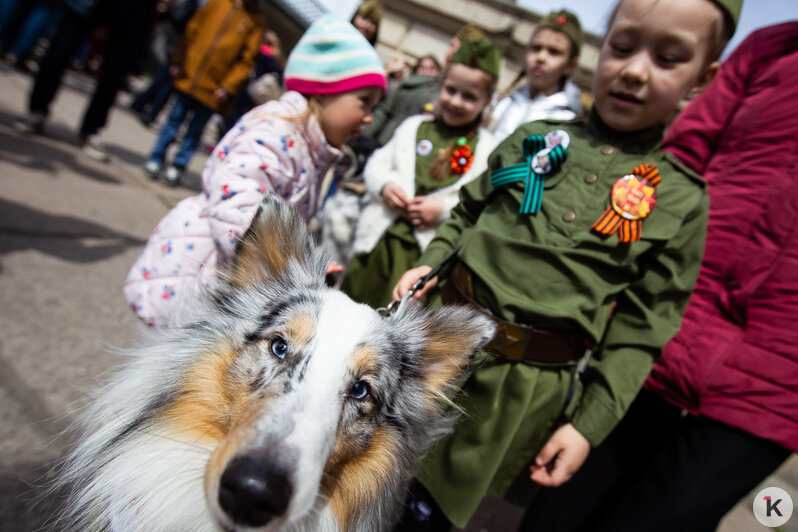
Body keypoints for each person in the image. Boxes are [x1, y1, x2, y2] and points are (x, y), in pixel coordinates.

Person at [389, 0, 739, 529]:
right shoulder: (536, 138)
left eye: (668, 59)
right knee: (355, 475)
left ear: (701, 78)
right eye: (621, 47)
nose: (635, 71)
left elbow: (640, 331)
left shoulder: (682, 201)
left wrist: (586, 426)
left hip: (521, 395)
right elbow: (469, 211)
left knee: (428, 514)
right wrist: (433, 262)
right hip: (435, 344)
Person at [521, 19, 797, 532]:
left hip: (774, 377)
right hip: (668, 325)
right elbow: (682, 157)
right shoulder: (773, 48)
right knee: (561, 501)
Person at [123, 14, 386, 327]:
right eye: (363, 102)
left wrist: (305, 262)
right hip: (203, 271)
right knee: (173, 365)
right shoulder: (277, 132)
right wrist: (283, 267)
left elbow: (288, 220)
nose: (369, 117)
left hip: (235, 280)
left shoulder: (311, 147)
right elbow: (238, 205)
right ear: (325, 89)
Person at [340, 37, 500, 309]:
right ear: (441, 86)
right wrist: (385, 186)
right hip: (379, 243)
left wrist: (442, 208)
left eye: (469, 97)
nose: (456, 102)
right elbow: (377, 164)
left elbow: (478, 204)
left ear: (487, 101)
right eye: (451, 90)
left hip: (422, 254)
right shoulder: (414, 127)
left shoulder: (487, 149)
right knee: (353, 305)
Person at [13, 0, 159, 161]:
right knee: (58, 53)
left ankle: (91, 129)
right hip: (86, 5)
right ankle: (37, 110)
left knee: (114, 74)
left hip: (132, 11)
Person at [141, 0, 265, 186]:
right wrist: (179, 60)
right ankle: (156, 158)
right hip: (190, 76)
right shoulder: (217, 3)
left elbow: (247, 61)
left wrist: (228, 86)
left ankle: (178, 165)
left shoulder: (255, 21)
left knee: (195, 131)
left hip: (214, 89)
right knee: (173, 121)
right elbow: (192, 30)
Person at [487, 10, 584, 143]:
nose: (541, 58)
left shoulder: (566, 123)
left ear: (570, 65)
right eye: (536, 48)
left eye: (554, 52)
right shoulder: (501, 103)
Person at [129, 0, 198, 127]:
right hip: (181, 40)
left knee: (165, 75)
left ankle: (141, 104)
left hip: (180, 38)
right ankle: (149, 111)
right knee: (169, 78)